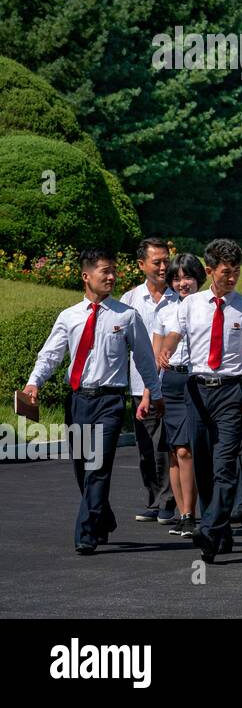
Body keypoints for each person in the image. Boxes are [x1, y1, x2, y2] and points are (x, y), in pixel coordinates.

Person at [22, 249, 160, 554]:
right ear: (86, 276)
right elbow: (51, 354)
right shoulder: (69, 316)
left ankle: (85, 533)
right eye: (104, 272)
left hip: (110, 402)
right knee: (82, 467)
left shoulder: (126, 316)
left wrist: (155, 393)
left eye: (113, 271)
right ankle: (102, 517)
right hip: (78, 401)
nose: (111, 277)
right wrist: (34, 382)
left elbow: (145, 359)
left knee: (98, 466)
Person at [160, 239, 242, 563]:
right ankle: (220, 530)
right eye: (225, 272)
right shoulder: (190, 305)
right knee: (202, 464)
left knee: (225, 466)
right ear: (209, 271)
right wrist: (168, 347)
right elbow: (176, 331)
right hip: (197, 389)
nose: (231, 277)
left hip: (231, 391)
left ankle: (209, 528)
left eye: (235, 272)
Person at [120, 237, 176, 526]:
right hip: (137, 384)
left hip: (170, 385)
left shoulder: (179, 296)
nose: (164, 266)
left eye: (167, 260)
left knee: (166, 444)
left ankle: (168, 501)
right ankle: (153, 499)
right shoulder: (129, 300)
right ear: (142, 265)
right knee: (145, 448)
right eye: (157, 262)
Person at [151, 253, 205, 537]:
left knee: (187, 450)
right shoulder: (164, 310)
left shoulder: (206, 306)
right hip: (169, 383)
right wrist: (151, 391)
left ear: (199, 277)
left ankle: (191, 514)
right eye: (176, 278)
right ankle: (183, 514)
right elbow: (156, 352)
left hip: (194, 379)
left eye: (187, 277)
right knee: (174, 451)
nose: (182, 283)